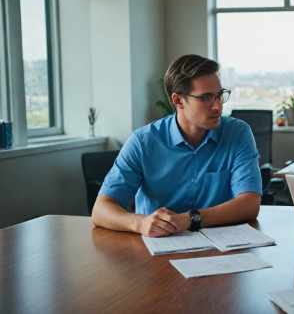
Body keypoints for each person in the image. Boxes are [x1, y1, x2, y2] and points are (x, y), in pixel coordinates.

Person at [92, 54, 262, 237]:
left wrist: (191, 219)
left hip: (221, 246)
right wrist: (140, 223)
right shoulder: (143, 142)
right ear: (178, 100)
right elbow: (101, 210)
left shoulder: (237, 133)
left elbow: (250, 203)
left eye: (219, 96)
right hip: (157, 247)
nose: (217, 107)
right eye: (206, 98)